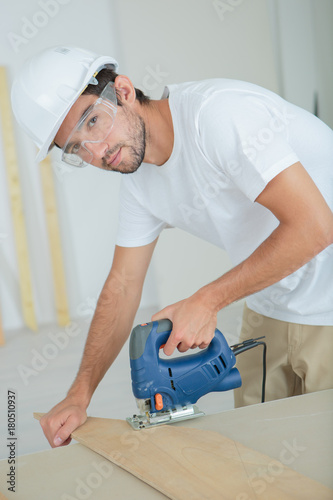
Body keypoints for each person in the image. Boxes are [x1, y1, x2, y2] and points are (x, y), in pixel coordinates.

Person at [11, 46, 333, 448]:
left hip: (329, 301)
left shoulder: (218, 117)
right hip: (271, 303)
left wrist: (207, 300)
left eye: (93, 121)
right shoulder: (139, 181)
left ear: (124, 91)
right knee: (263, 453)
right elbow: (123, 284)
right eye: (76, 148)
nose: (96, 152)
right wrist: (80, 394)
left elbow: (316, 226)